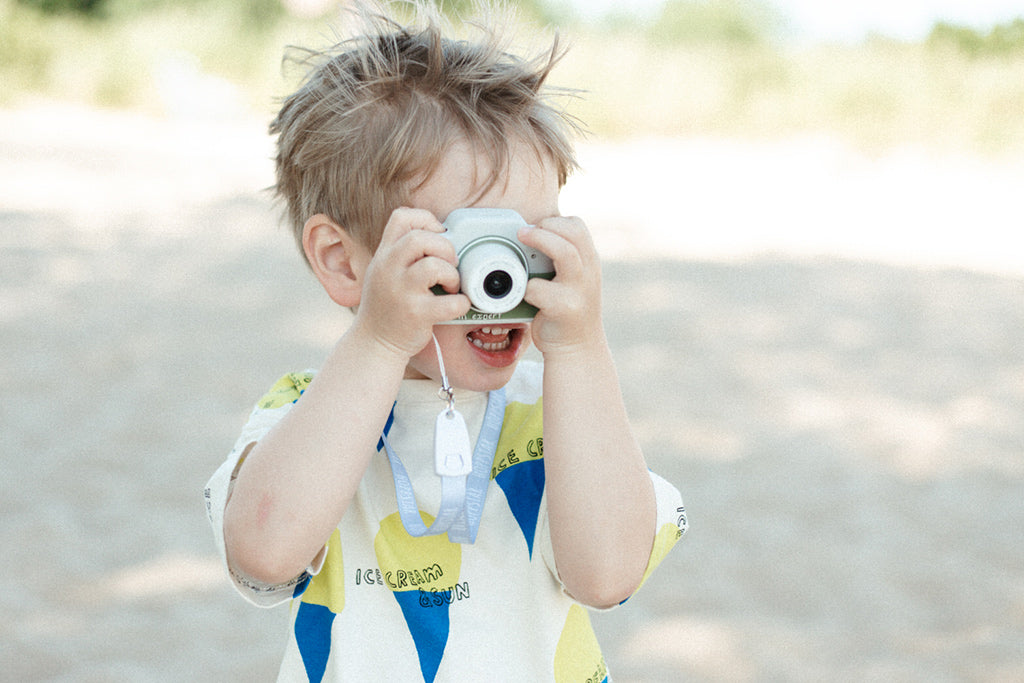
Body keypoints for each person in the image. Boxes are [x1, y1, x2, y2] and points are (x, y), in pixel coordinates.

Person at [204, 2, 687, 681]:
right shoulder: (305, 412)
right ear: (345, 262)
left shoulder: (563, 417)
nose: (502, 282)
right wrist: (377, 341)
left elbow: (607, 575)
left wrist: (581, 349)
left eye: (531, 244)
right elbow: (262, 553)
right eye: (472, 243)